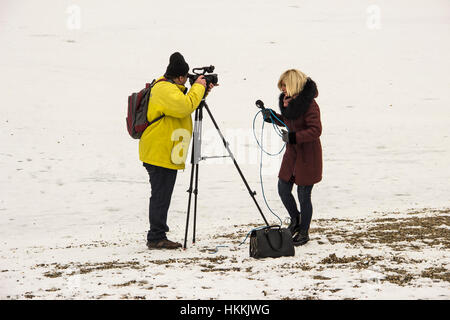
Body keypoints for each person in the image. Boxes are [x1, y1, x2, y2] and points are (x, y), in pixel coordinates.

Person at [139, 52, 215, 249]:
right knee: (160, 195)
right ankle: (156, 237)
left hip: (165, 151)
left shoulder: (171, 89)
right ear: (180, 77)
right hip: (159, 152)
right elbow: (184, 107)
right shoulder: (164, 89)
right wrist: (198, 86)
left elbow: (186, 104)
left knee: (162, 194)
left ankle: (157, 234)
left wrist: (202, 91)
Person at [263, 69, 322, 246]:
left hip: (308, 156)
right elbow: (289, 121)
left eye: (284, 85)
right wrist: (273, 117)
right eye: (281, 86)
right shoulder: (288, 102)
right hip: (292, 155)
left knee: (304, 195)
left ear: (293, 84)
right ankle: (295, 220)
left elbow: (316, 130)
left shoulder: (310, 104)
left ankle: (304, 231)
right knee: (283, 188)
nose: (282, 89)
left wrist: (294, 137)